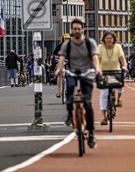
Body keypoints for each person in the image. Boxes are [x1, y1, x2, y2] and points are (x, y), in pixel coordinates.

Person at [55, 18, 100, 149]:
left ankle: (91, 134)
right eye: (74, 29)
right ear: (71, 30)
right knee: (69, 89)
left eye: (78, 29)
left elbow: (95, 58)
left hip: (87, 73)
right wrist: (58, 69)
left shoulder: (89, 43)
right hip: (72, 73)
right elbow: (62, 59)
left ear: (82, 30)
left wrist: (97, 69)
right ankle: (70, 113)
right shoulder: (67, 45)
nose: (76, 31)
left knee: (87, 103)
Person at [98, 31, 128, 125]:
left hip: (116, 72)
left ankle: (119, 98)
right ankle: (104, 117)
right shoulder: (100, 47)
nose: (109, 40)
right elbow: (97, 60)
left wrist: (125, 66)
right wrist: (97, 69)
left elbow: (122, 59)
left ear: (114, 39)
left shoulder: (118, 47)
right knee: (103, 94)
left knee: (120, 84)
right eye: (107, 38)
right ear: (104, 39)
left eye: (110, 38)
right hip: (104, 73)